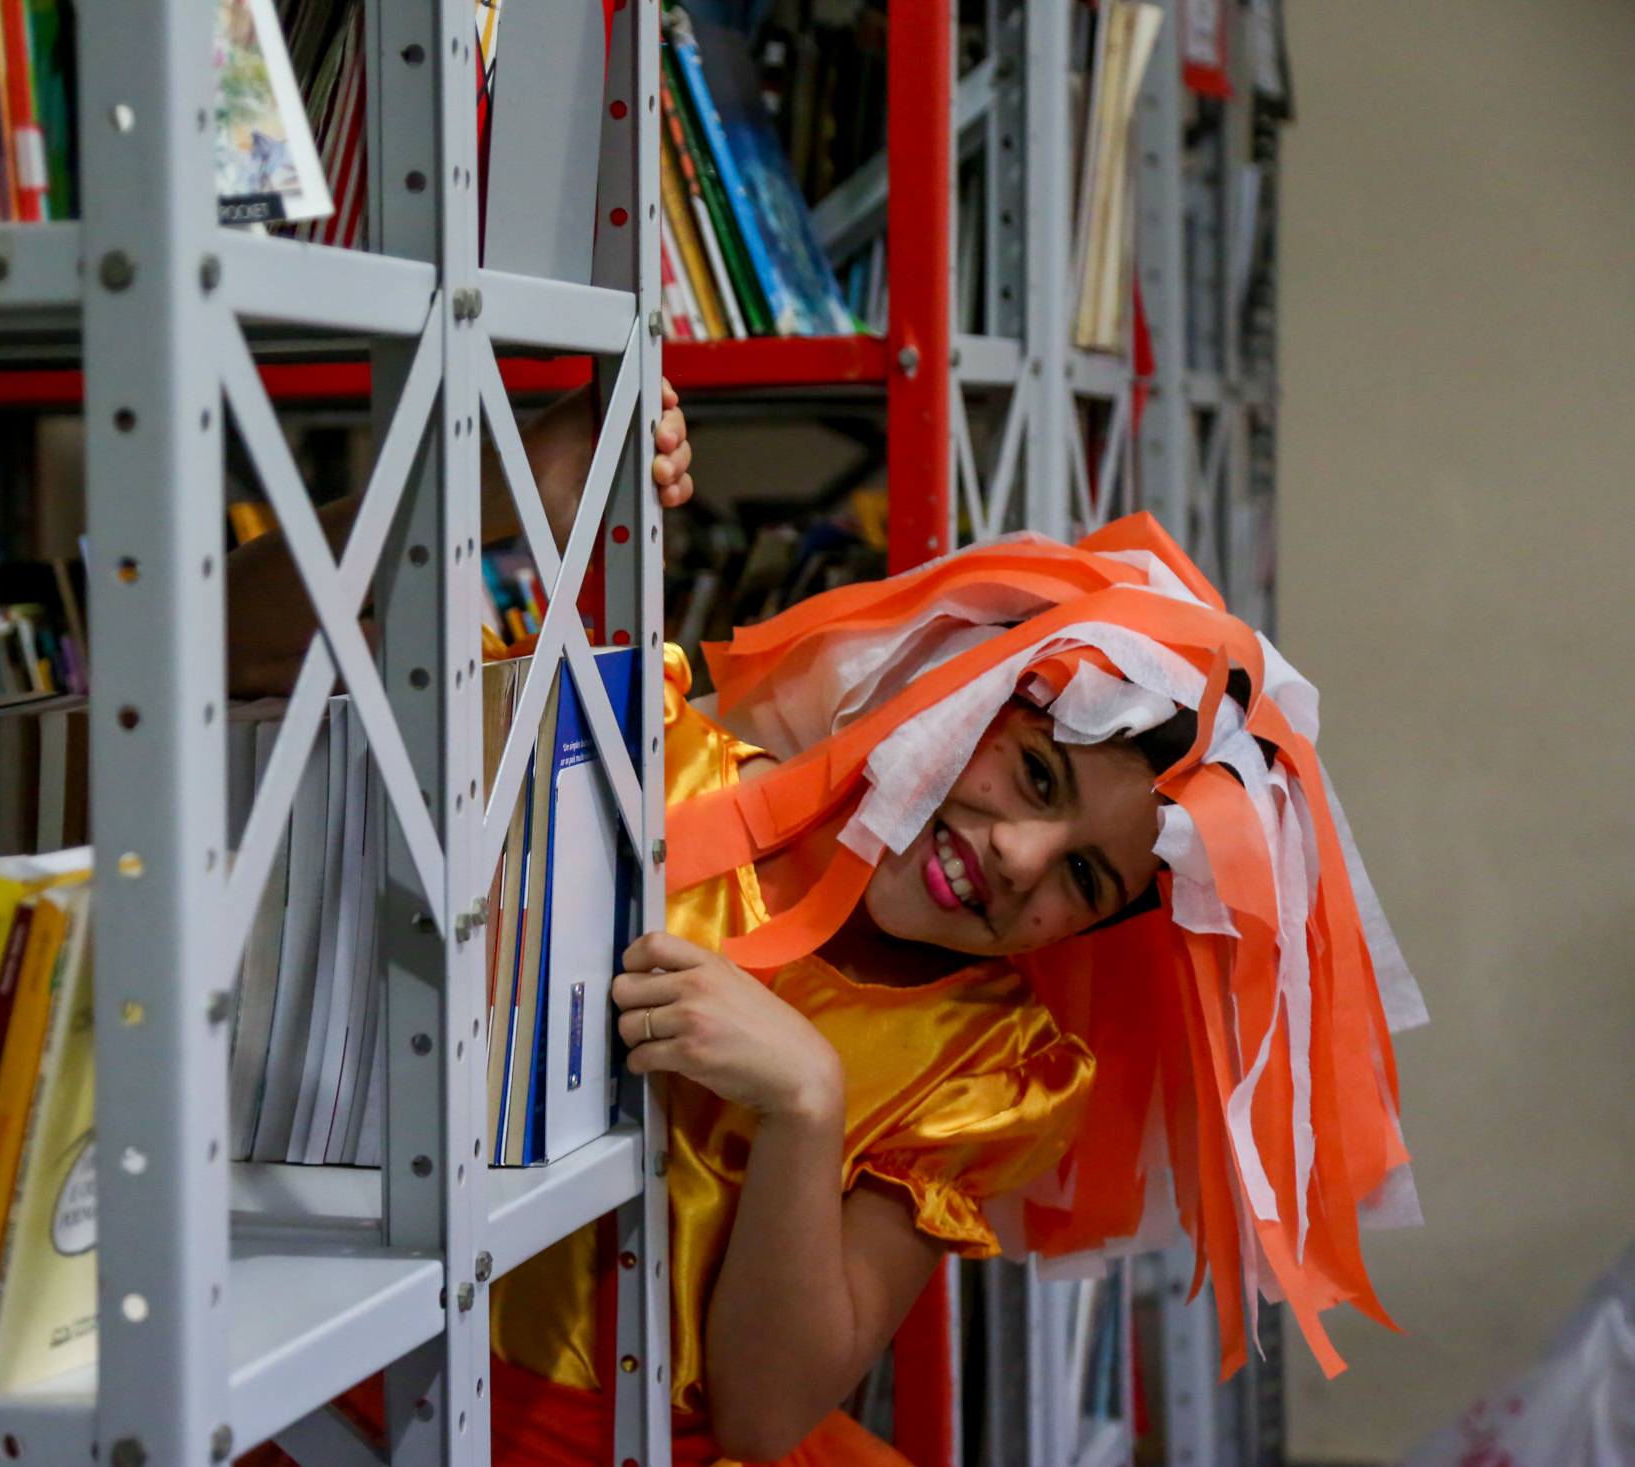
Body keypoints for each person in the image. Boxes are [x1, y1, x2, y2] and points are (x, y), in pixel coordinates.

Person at [226, 388, 1424, 1467]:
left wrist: (805, 1103)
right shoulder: (642, 755)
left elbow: (761, 1415)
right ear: (954, 694)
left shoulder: (992, 1063)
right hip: (332, 1394)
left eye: (1085, 882)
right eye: (1037, 779)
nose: (1016, 859)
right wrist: (495, 486)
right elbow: (232, 647)